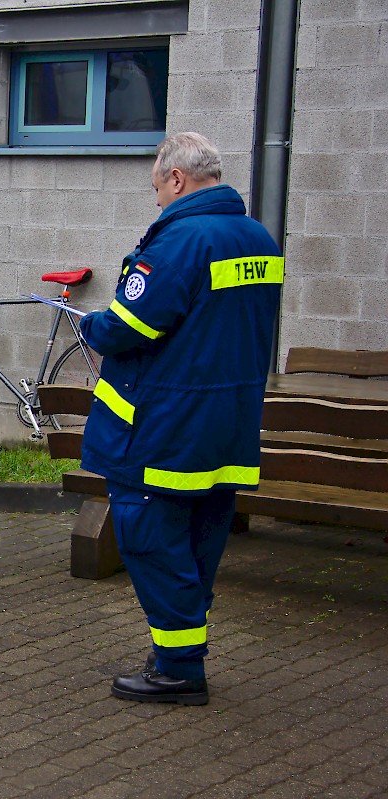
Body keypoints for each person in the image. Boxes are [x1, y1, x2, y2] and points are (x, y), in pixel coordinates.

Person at [78, 132, 283, 705]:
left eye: (157, 190)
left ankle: (178, 669)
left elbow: (132, 326)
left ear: (176, 178)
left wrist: (90, 325)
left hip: (165, 426)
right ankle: (181, 652)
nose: (158, 202)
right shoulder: (258, 238)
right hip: (228, 423)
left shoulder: (179, 242)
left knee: (147, 538)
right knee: (201, 535)